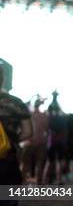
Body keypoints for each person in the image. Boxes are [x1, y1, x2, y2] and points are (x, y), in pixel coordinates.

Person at [0, 61, 33, 201]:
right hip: (8, 161)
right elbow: (28, 131)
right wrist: (12, 141)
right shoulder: (16, 103)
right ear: (3, 79)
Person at [21, 97, 48, 184]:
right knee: (39, 163)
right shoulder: (44, 116)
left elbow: (24, 129)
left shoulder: (29, 115)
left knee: (25, 163)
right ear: (40, 105)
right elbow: (46, 130)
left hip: (29, 141)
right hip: (41, 141)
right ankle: (38, 183)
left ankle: (22, 182)